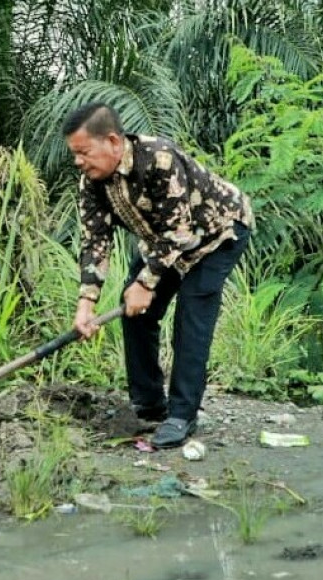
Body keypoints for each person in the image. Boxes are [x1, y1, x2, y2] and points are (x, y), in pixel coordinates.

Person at [63, 103, 254, 448]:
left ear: (112, 141)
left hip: (217, 234)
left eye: (84, 152)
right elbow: (95, 242)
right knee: (135, 311)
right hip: (164, 243)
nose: (79, 161)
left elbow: (178, 231)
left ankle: (182, 415)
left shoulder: (159, 160)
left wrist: (146, 283)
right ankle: (149, 405)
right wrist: (85, 304)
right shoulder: (91, 182)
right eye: (75, 154)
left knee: (191, 316)